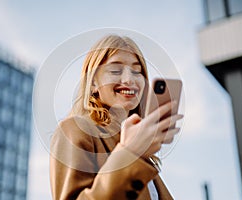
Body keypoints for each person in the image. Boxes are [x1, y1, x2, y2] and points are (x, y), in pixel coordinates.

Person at [50, 34, 183, 200]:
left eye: (137, 71)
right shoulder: (75, 129)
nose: (129, 79)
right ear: (93, 83)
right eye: (115, 70)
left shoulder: (141, 150)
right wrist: (130, 154)